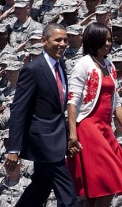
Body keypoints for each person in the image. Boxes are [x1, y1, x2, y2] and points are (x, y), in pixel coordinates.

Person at [66, 22, 122, 207]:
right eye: (104, 39)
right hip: (88, 127)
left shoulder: (109, 65)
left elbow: (116, 104)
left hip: (105, 128)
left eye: (110, 39)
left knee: (95, 190)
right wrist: (73, 134)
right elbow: (72, 102)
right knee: (109, 181)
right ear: (94, 40)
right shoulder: (83, 64)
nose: (108, 43)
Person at [5, 23, 77, 207]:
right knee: (68, 196)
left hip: (57, 138)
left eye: (65, 40)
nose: (62, 44)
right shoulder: (33, 69)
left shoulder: (61, 64)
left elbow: (58, 107)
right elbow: (19, 110)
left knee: (39, 189)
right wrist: (13, 149)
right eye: (57, 40)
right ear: (44, 41)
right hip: (43, 142)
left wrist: (68, 136)